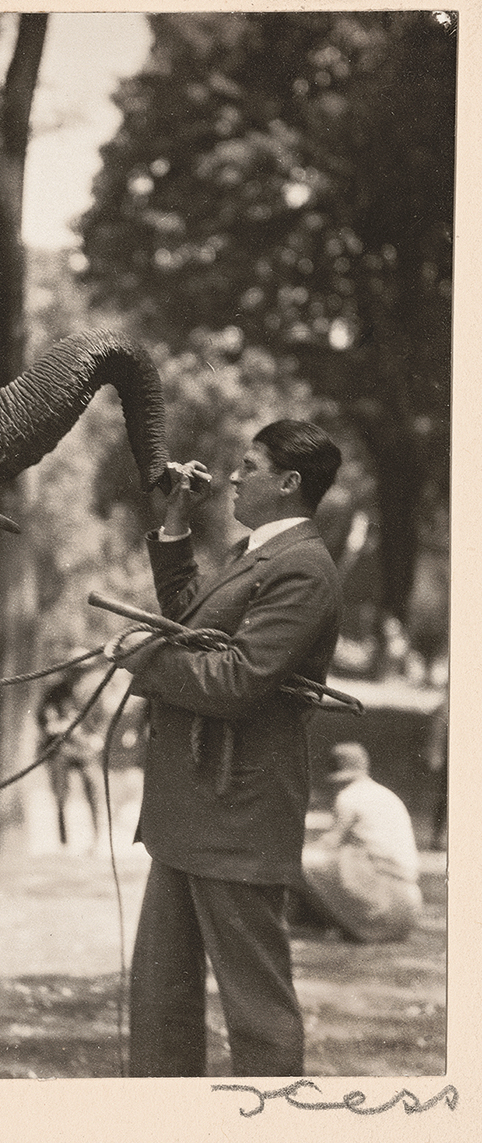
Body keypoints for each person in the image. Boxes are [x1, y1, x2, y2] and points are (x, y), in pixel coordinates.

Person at [105, 420, 343, 1078]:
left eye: (249, 466)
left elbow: (238, 679)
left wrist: (145, 660)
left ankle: (276, 1119)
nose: (233, 477)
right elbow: (193, 623)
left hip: (238, 815)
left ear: (288, 482)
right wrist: (176, 522)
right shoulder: (255, 553)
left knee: (256, 1012)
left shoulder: (304, 567)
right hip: (190, 810)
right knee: (161, 1000)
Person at [299, 742, 422, 942]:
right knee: (345, 858)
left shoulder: (348, 796)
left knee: (301, 860)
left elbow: (330, 843)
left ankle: (312, 922)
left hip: (382, 901)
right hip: (410, 903)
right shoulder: (386, 794)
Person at [37, 663, 104, 848]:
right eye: (73, 671)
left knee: (93, 790)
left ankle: (96, 839)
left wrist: (97, 737)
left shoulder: (92, 691)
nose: (76, 675)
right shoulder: (55, 692)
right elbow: (46, 721)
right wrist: (61, 726)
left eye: (80, 671)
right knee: (60, 793)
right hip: (61, 748)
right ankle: (64, 841)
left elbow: (102, 719)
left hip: (85, 748)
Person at [425, 694, 448, 851]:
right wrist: (435, 753)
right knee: (445, 796)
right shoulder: (446, 706)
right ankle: (437, 836)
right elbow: (437, 730)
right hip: (450, 758)